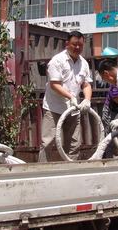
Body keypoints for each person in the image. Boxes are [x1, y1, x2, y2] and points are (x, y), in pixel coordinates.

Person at [38, 31, 92, 162]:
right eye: (74, 44)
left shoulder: (84, 63)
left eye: (80, 45)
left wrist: (87, 99)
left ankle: (71, 168)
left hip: (73, 109)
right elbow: (54, 84)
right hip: (54, 108)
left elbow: (86, 84)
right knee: (48, 142)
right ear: (67, 44)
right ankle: (42, 170)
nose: (77, 47)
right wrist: (70, 96)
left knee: (74, 143)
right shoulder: (57, 61)